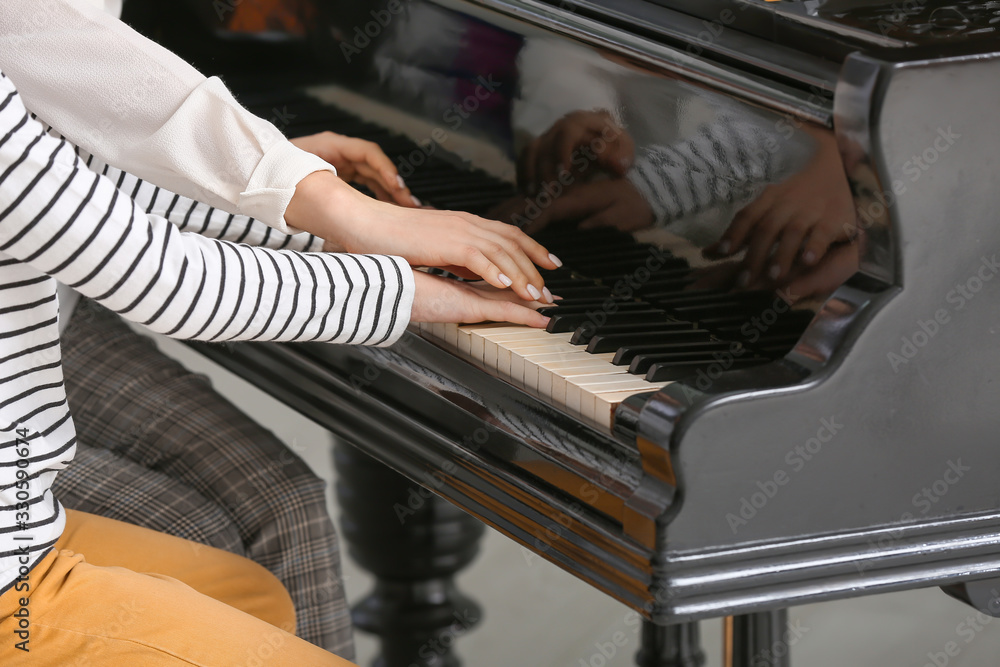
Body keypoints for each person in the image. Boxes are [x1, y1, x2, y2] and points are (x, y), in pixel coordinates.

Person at [0, 0, 557, 653]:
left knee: (260, 581)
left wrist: (304, 207)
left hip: (26, 484)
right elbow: (162, 278)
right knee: (209, 542)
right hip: (19, 550)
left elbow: (73, 181)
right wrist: (394, 282)